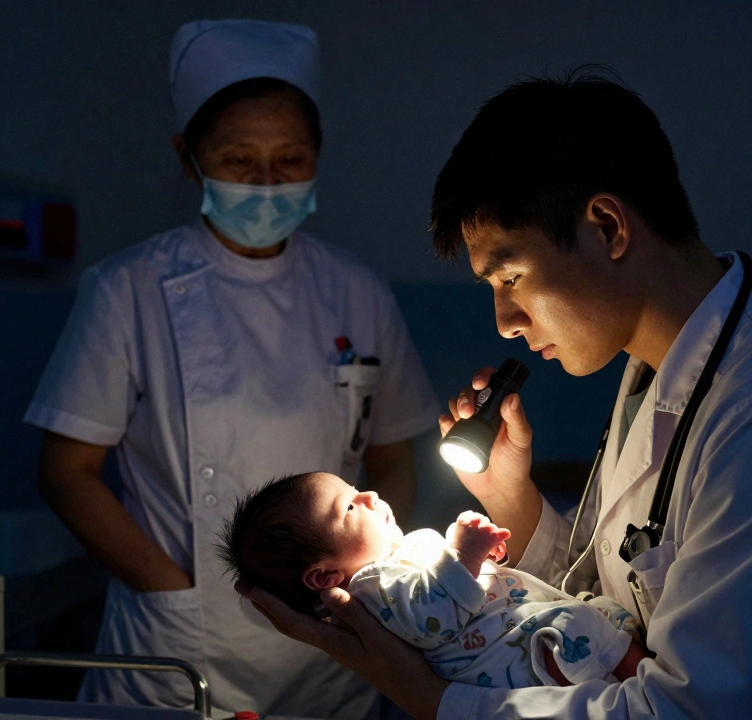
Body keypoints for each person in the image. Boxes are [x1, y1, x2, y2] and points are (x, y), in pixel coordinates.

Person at [242, 70, 752, 720]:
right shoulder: (656, 374)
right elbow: (612, 607)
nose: (505, 324)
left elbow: (688, 710)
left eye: (509, 279)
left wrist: (432, 699)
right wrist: (511, 500)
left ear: (606, 227)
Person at [24, 19, 440, 718]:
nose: (268, 183)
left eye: (291, 159)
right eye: (241, 161)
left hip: (331, 643)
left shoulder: (357, 291)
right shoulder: (128, 289)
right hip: (177, 653)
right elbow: (66, 473)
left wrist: (365, 581)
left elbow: (395, 459)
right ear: (188, 159)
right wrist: (168, 588)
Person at [217, 472, 650, 689]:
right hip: (508, 664)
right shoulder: (370, 589)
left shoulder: (394, 566)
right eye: (349, 508)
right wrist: (464, 553)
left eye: (357, 489)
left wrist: (482, 559)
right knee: (581, 629)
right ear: (326, 575)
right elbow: (435, 617)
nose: (368, 496)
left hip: (517, 637)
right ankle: (643, 682)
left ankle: (634, 675)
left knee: (590, 616)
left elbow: (459, 590)